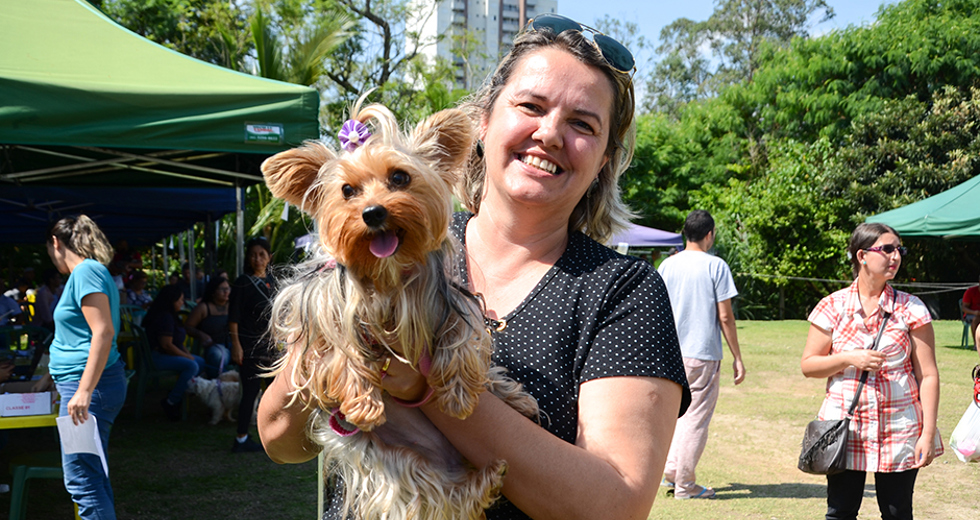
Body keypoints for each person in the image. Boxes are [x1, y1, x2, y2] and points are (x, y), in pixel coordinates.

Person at [258, 14, 691, 519]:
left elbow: (615, 507)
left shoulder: (623, 292)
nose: (550, 134)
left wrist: (422, 387)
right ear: (482, 121)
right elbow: (279, 440)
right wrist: (327, 339)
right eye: (531, 106)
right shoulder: (386, 257)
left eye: (582, 124)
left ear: (606, 159)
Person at [801, 222, 942, 520]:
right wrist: (850, 358)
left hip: (899, 428)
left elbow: (928, 375)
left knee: (897, 512)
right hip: (846, 428)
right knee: (840, 511)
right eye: (887, 249)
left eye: (898, 250)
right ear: (862, 255)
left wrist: (927, 434)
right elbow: (809, 365)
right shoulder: (832, 306)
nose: (896, 256)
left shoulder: (911, 308)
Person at [657, 209, 745, 500]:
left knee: (675, 414)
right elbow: (725, 316)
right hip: (703, 352)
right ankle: (685, 484)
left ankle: (671, 472)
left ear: (685, 233)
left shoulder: (667, 266)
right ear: (710, 234)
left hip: (670, 352)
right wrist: (737, 356)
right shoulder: (716, 266)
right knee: (695, 418)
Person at [45, 215, 127, 520]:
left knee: (83, 481)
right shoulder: (88, 274)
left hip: (89, 389)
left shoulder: (86, 272)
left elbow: (103, 332)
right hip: (86, 385)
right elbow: (76, 336)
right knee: (91, 474)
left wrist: (83, 390)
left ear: (56, 242)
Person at [229, 236, 277, 453]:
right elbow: (234, 316)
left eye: (262, 254)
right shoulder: (242, 282)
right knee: (250, 393)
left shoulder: (273, 283)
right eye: (253, 254)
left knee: (273, 394)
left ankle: (273, 437)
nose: (257, 259)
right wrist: (236, 345)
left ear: (269, 257)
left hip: (271, 347)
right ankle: (241, 438)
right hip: (249, 346)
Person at [143, 284, 205, 421]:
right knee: (192, 365)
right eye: (180, 300)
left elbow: (177, 342)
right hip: (156, 357)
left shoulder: (171, 315)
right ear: (171, 301)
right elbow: (167, 345)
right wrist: (187, 357)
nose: (182, 303)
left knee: (200, 361)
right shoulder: (164, 317)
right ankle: (171, 401)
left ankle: (184, 392)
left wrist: (188, 354)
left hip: (167, 354)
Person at [184, 276, 232, 378]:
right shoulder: (203, 308)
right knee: (218, 355)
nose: (226, 292)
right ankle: (218, 385)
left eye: (228, 288)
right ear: (213, 291)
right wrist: (201, 334)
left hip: (233, 344)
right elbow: (188, 327)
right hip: (214, 345)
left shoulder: (232, 306)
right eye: (222, 289)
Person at [961, 274, 980, 345]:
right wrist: (975, 312)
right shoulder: (971, 291)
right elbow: (964, 307)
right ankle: (977, 344)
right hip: (971, 315)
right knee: (976, 319)